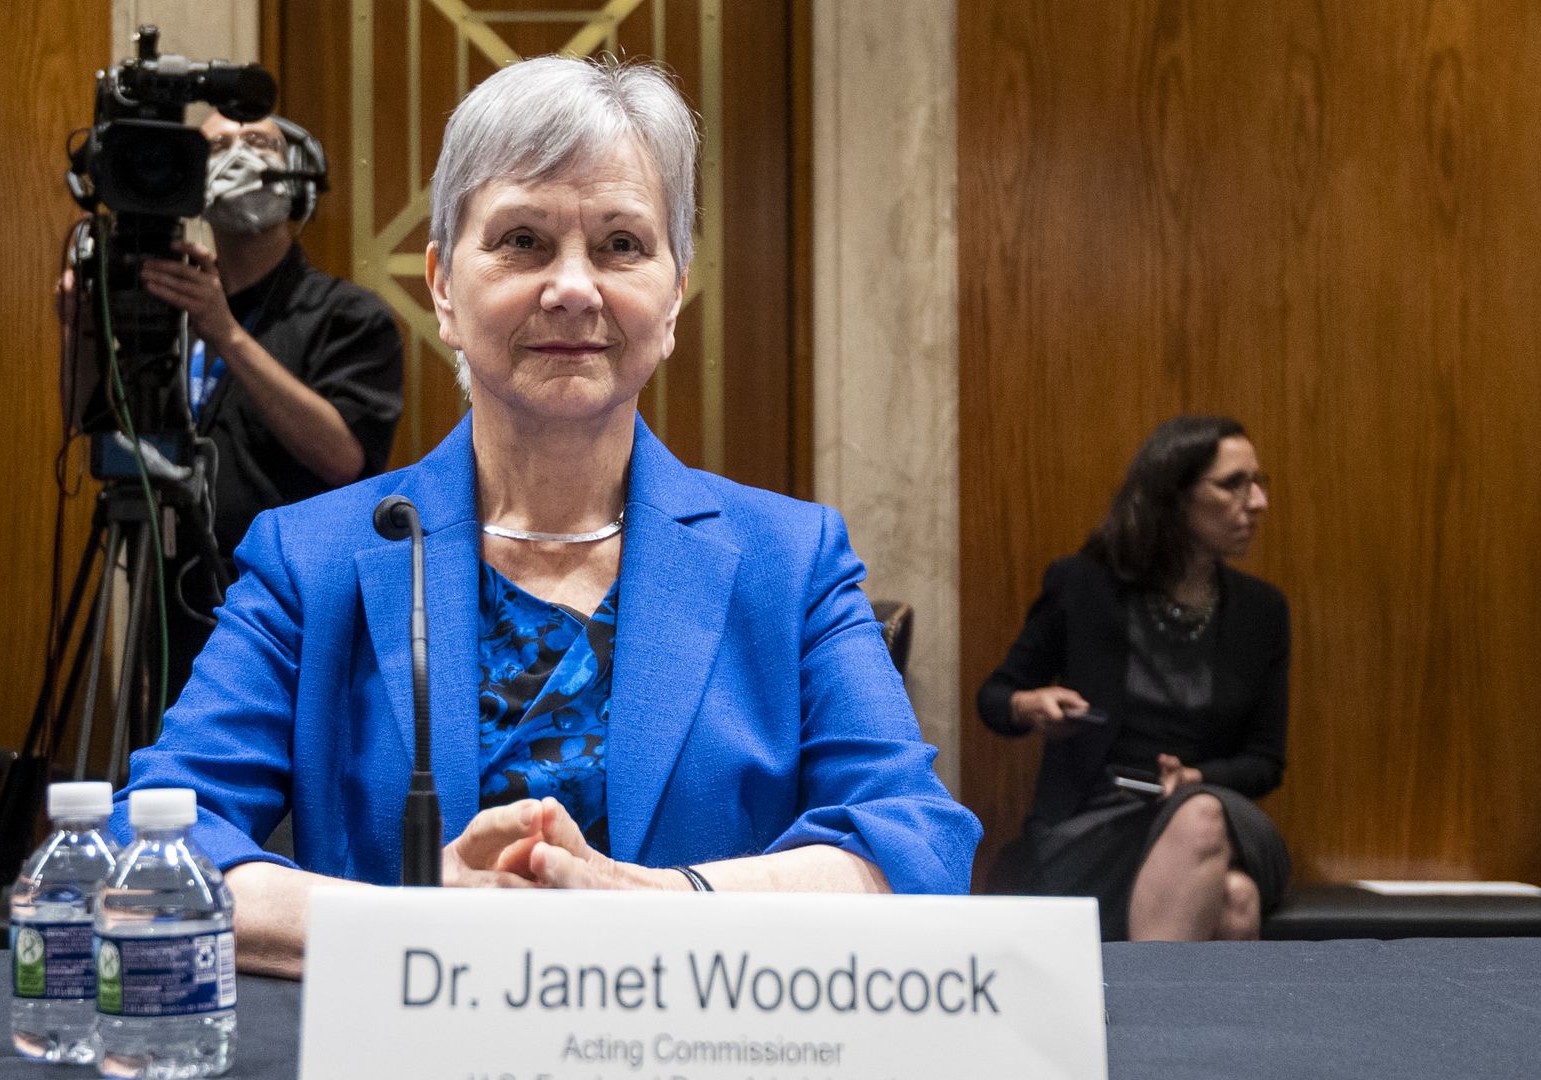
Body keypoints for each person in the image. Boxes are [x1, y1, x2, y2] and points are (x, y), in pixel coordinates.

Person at [114, 56, 980, 977]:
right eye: (523, 241)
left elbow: (916, 843)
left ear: (674, 295)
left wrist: (656, 904)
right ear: (443, 287)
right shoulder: (311, 557)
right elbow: (149, 848)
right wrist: (405, 927)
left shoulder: (791, 559)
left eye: (621, 245)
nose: (573, 288)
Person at [64, 110, 405, 698]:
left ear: (299, 175)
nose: (238, 154)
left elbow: (344, 458)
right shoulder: (166, 308)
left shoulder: (348, 315)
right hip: (172, 600)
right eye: (218, 145)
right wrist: (82, 328)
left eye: (258, 141)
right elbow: (93, 424)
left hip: (295, 605)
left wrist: (225, 332)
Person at [978, 415, 1290, 941]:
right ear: (1174, 495)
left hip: (1217, 814)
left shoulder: (1263, 611)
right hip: (1094, 824)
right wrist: (1030, 705)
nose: (1258, 501)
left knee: (1201, 815)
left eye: (1257, 482)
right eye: (1233, 484)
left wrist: (1195, 778)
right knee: (1236, 899)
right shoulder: (1082, 586)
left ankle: (1145, 998)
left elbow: (1265, 762)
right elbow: (994, 697)